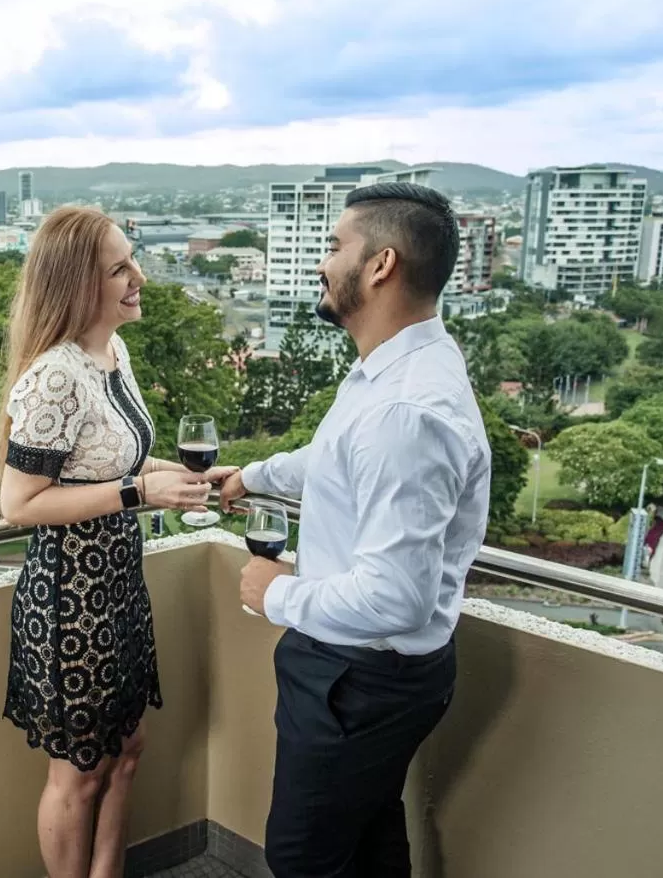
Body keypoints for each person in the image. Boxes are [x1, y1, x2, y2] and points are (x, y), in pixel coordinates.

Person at [219, 183, 491, 878]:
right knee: (369, 840)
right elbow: (339, 460)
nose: (322, 261)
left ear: (380, 265)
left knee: (304, 857)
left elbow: (396, 595)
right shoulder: (395, 369)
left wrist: (274, 594)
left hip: (360, 676)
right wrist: (255, 474)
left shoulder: (406, 410)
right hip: (374, 675)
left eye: (336, 245)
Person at [0, 206, 237, 878]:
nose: (140, 278)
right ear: (78, 283)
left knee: (127, 751)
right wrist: (140, 495)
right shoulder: (53, 377)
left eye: (133, 260)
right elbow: (19, 504)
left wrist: (189, 475)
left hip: (121, 589)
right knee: (78, 776)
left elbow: (118, 461)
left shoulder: (112, 353)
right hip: (70, 600)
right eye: (120, 268)